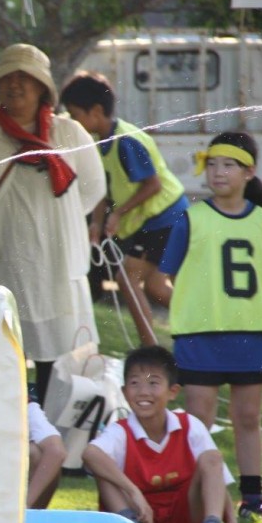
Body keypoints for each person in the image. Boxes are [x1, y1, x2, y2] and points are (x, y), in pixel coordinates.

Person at [0, 45, 106, 401]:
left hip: (56, 260)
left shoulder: (69, 133)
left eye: (24, 78)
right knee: (3, 349)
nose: (15, 85)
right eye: (8, 78)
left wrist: (57, 219)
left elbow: (94, 187)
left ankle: (54, 438)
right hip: (2, 256)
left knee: (59, 352)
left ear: (41, 87)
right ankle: (9, 428)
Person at [159, 132, 262, 518]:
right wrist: (191, 306)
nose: (218, 172)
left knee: (248, 418)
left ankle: (252, 499)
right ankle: (199, 496)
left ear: (249, 171)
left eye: (228, 165)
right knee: (201, 420)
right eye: (211, 164)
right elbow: (165, 277)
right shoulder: (191, 218)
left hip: (250, 334)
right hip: (199, 335)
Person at [60, 73, 190, 346]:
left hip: (167, 217)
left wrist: (119, 213)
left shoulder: (125, 141)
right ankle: (176, 337)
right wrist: (97, 223)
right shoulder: (96, 144)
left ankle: (162, 341)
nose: (72, 122)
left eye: (74, 115)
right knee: (147, 284)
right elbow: (102, 193)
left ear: (95, 112)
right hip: (152, 222)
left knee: (132, 279)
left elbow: (152, 185)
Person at [82, 346, 241, 523]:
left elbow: (217, 479)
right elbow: (90, 454)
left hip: (187, 515)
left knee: (211, 457)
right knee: (102, 467)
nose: (143, 392)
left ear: (173, 391)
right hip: (142, 515)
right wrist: (135, 492)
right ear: (124, 392)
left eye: (153, 383)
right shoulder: (121, 431)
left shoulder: (189, 425)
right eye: (134, 383)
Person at [26, 399, 66, 509]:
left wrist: (26, 504)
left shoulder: (25, 407)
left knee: (36, 453)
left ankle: (29, 513)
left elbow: (56, 452)